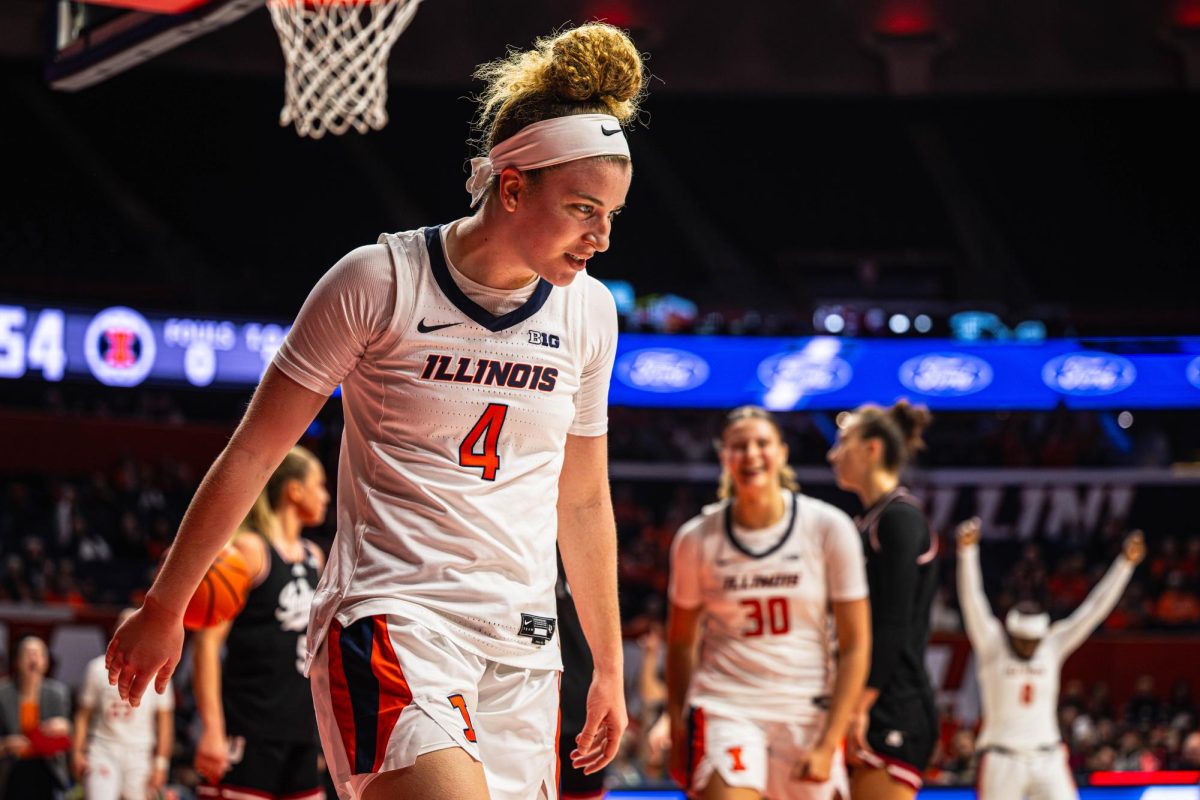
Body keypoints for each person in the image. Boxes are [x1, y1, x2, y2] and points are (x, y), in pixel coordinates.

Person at [105, 21, 644, 800]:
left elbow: (585, 499)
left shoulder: (590, 313)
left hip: (525, 644)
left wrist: (610, 669)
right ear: (513, 187)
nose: (601, 236)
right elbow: (255, 451)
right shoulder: (378, 281)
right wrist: (165, 605)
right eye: (583, 208)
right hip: (395, 616)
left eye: (612, 214)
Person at [666, 406, 871, 799]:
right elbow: (680, 642)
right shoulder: (695, 538)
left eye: (762, 443)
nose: (751, 454)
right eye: (739, 446)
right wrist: (677, 722)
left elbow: (856, 644)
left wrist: (830, 741)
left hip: (806, 707)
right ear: (724, 457)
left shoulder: (829, 527)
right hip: (727, 704)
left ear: (782, 452)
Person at [955, 518, 1145, 800]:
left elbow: (1093, 610)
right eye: (1022, 641)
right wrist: (967, 553)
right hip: (1002, 758)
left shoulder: (1052, 645)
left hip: (1048, 756)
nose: (1028, 647)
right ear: (1011, 632)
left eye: (1032, 642)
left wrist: (1124, 565)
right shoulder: (992, 645)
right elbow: (972, 600)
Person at [192, 446, 328, 800]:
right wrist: (212, 729)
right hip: (248, 729)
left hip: (299, 732)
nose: (326, 496)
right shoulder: (250, 550)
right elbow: (207, 644)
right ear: (294, 490)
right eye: (319, 485)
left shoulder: (315, 557)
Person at [826, 400, 938, 800]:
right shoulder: (866, 521)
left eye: (843, 442)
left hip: (892, 703)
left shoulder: (899, 518)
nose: (833, 455)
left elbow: (894, 623)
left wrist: (860, 704)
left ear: (872, 449)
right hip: (862, 699)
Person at [73, 609, 175, 800]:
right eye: (123, 624)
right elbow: (83, 715)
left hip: (140, 753)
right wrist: (77, 752)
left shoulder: (157, 670)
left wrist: (161, 763)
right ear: (116, 631)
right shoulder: (96, 668)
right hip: (102, 748)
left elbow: (165, 721)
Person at [0, 636, 71, 799]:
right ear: (17, 661)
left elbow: (71, 733)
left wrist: (65, 726)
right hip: (11, 769)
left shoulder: (58, 693)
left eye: (38, 654)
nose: (33, 659)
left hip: (48, 768)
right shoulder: (2, 695)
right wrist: (6, 745)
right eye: (28, 654)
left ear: (46, 662)